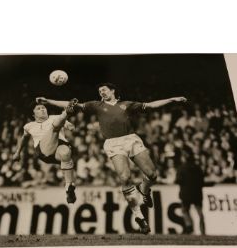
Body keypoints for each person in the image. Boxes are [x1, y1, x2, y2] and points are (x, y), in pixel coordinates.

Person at [37, 83, 186, 234]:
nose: (102, 92)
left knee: (152, 174)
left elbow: (151, 106)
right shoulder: (96, 105)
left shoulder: (126, 104)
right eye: (100, 90)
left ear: (113, 91)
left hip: (131, 139)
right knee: (125, 177)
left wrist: (172, 99)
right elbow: (71, 105)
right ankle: (139, 217)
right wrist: (48, 101)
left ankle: (144, 190)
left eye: (104, 89)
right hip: (113, 144)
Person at [12, 100, 78, 203]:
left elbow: (72, 127)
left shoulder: (54, 117)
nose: (42, 109)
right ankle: (66, 111)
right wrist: (17, 152)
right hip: (44, 151)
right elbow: (24, 138)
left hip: (59, 148)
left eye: (43, 108)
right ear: (33, 114)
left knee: (66, 153)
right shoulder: (29, 126)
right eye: (38, 109)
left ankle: (69, 186)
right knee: (55, 127)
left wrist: (70, 126)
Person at [176, 148, 206, 235]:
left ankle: (189, 227)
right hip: (197, 194)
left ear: (184, 158)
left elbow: (178, 180)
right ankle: (202, 230)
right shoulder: (197, 168)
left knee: (185, 211)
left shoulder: (181, 168)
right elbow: (202, 181)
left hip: (186, 194)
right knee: (200, 213)